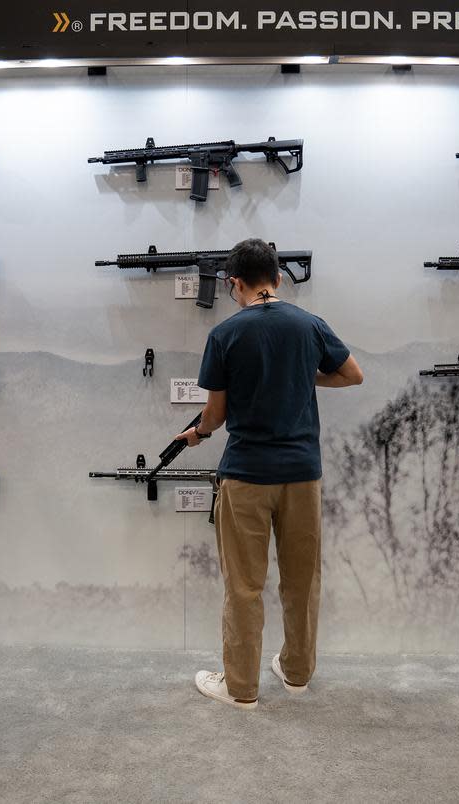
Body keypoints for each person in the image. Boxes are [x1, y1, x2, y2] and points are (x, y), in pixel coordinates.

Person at [175, 238, 363, 709]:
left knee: (244, 586)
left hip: (246, 475)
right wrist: (303, 375)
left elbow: (215, 416)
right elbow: (352, 375)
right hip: (303, 475)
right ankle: (297, 674)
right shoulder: (310, 325)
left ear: (234, 282)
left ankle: (240, 689)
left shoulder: (225, 335)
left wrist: (196, 433)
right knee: (302, 580)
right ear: (278, 278)